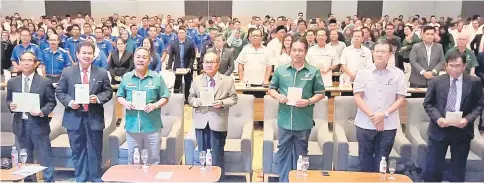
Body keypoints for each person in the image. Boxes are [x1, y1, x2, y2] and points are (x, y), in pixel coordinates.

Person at [268, 37, 325, 182]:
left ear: (306, 52)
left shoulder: (313, 71)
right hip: (285, 119)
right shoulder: (281, 70)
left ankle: (298, 180)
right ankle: (283, 180)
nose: (297, 53)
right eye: (294, 50)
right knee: (283, 153)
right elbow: (271, 89)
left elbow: (320, 93)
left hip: (303, 120)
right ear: (289, 51)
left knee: (301, 155)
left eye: (300, 50)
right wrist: (278, 96)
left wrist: (309, 101)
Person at [55, 41, 113, 182]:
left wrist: (97, 99)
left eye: (90, 53)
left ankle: (95, 177)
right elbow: (60, 91)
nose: (87, 56)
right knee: (78, 151)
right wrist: (70, 102)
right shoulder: (68, 72)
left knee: (95, 151)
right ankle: (80, 178)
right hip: (74, 117)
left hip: (93, 118)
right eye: (84, 53)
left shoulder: (101, 72)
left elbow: (108, 92)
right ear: (77, 55)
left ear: (94, 55)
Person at [422, 52, 484, 182]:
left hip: (462, 131)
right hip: (439, 130)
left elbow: (479, 105)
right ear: (446, 65)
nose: (454, 69)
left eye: (458, 66)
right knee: (433, 169)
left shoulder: (474, 82)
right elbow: (428, 103)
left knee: (458, 171)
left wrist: (467, 119)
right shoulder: (436, 81)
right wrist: (438, 118)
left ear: (464, 66)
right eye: (451, 65)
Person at [353, 39, 407, 172]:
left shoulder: (398, 74)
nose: (379, 54)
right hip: (365, 123)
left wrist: (384, 114)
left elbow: (401, 99)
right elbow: (357, 97)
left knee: (382, 161)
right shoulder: (363, 72)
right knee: (364, 161)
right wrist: (373, 116)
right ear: (372, 53)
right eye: (377, 51)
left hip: (388, 125)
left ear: (390, 54)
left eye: (383, 51)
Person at [6, 51, 56, 182]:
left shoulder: (45, 82)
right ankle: (29, 181)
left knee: (45, 158)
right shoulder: (12, 82)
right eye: (23, 60)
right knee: (25, 160)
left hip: (39, 125)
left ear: (35, 64)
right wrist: (10, 105)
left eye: (29, 60)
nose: (26, 63)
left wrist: (42, 111)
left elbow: (52, 102)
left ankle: (49, 180)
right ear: (20, 62)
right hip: (20, 126)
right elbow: (9, 100)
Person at [188, 52, 238, 180]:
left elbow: (233, 98)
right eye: (206, 62)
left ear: (218, 64)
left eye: (212, 62)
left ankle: (219, 180)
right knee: (202, 154)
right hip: (201, 121)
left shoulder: (227, 80)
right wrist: (195, 102)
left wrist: (222, 103)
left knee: (217, 155)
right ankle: (204, 179)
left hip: (218, 121)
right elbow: (190, 98)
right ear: (202, 64)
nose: (209, 65)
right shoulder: (196, 79)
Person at [117, 47, 171, 165]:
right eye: (138, 57)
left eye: (144, 57)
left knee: (153, 160)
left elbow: (165, 97)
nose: (140, 60)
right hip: (132, 126)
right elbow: (119, 96)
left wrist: (155, 105)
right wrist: (125, 103)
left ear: (149, 60)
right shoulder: (126, 77)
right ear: (134, 59)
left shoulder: (157, 78)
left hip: (152, 126)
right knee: (134, 160)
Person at [166, 27, 196, 103]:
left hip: (187, 67)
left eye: (183, 33)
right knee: (176, 83)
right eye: (179, 33)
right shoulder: (173, 43)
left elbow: (192, 57)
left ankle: (187, 99)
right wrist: (169, 67)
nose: (181, 34)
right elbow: (171, 56)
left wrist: (189, 67)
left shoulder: (190, 43)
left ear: (185, 34)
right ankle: (176, 101)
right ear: (177, 34)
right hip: (177, 67)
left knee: (188, 84)